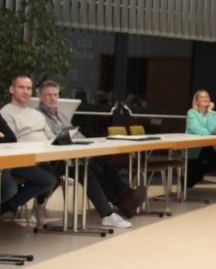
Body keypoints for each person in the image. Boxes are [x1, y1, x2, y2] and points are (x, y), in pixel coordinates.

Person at [1, 76, 132, 228]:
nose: (25, 91)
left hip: (48, 158)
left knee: (82, 170)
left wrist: (60, 142)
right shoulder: (6, 112)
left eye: (28, 88)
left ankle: (107, 215)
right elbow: (12, 141)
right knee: (49, 179)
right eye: (21, 87)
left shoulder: (35, 114)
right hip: (24, 160)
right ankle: (10, 205)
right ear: (12, 89)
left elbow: (50, 136)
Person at [36, 79, 145, 217]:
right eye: (48, 95)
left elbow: (75, 133)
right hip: (57, 160)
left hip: (73, 154)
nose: (53, 98)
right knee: (92, 168)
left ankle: (124, 195)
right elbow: (52, 139)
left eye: (55, 95)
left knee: (104, 163)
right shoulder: (38, 116)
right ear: (40, 96)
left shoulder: (60, 115)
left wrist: (88, 143)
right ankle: (121, 201)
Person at [1, 114, 57, 216]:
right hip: (10, 160)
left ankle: (8, 206)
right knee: (10, 188)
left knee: (48, 179)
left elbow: (11, 138)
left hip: (12, 160)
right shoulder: (8, 111)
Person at [184, 89, 216, 189]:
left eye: (207, 96)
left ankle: (198, 173)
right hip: (194, 148)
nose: (205, 98)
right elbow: (198, 130)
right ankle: (194, 175)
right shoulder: (192, 113)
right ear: (196, 101)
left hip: (208, 147)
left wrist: (209, 112)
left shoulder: (213, 113)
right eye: (202, 97)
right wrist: (212, 132)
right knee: (189, 182)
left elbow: (213, 128)